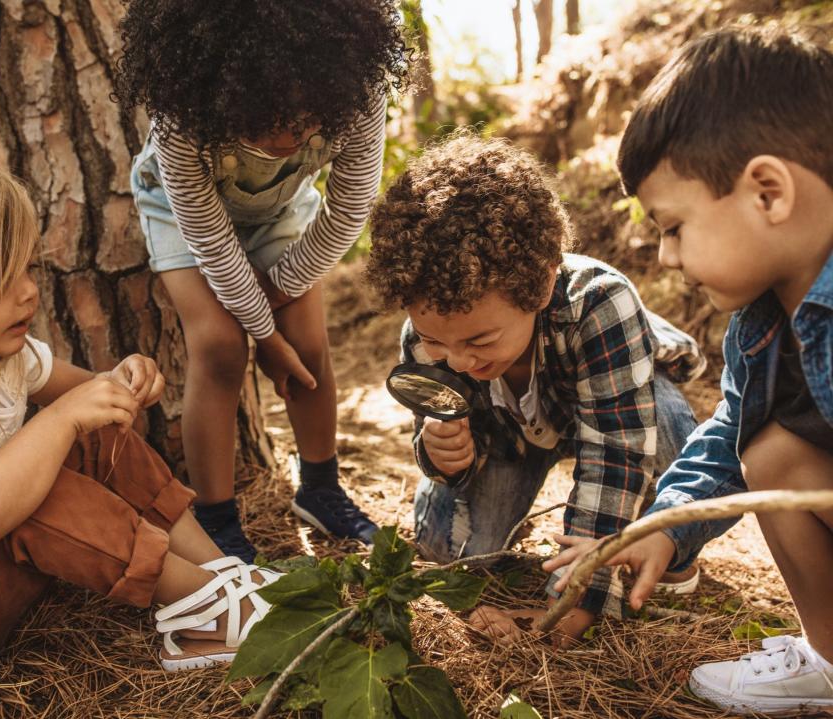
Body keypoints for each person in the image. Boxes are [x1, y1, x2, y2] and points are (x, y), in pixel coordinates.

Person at [0, 142, 280, 670]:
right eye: (0, 281)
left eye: (28, 270)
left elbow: (94, 398)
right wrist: (62, 419)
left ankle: (222, 576)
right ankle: (209, 609)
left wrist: (123, 381)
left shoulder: (2, 359)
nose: (28, 294)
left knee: (91, 434)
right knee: (35, 488)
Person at [543, 26, 833, 715]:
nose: (667, 257)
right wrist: (665, 527)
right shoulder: (761, 325)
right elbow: (730, 433)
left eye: (674, 228)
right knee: (771, 452)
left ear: (768, 192)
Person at [364, 133, 706, 645]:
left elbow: (615, 451)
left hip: (613, 406)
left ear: (542, 285)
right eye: (438, 341)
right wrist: (445, 457)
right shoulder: (427, 337)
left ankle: (670, 547)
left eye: (480, 339)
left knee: (670, 427)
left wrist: (581, 593)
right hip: (508, 439)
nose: (459, 360)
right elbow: (433, 433)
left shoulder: (600, 303)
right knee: (448, 548)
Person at [113, 0, 411, 561]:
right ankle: (217, 519)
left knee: (309, 343)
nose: (286, 137)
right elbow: (212, 243)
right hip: (182, 215)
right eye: (265, 120)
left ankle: (321, 490)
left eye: (304, 121)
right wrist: (262, 336)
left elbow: (347, 211)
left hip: (280, 211)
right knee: (221, 346)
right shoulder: (184, 120)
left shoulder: (358, 92)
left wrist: (277, 297)